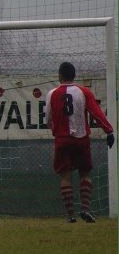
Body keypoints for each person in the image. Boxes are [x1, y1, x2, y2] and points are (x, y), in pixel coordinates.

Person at [44, 61, 114, 223]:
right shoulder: (84, 91)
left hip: (62, 140)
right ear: (74, 75)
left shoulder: (52, 93)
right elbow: (96, 112)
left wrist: (55, 130)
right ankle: (85, 209)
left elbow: (48, 118)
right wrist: (109, 131)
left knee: (65, 176)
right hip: (82, 139)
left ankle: (70, 216)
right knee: (85, 174)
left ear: (60, 76)